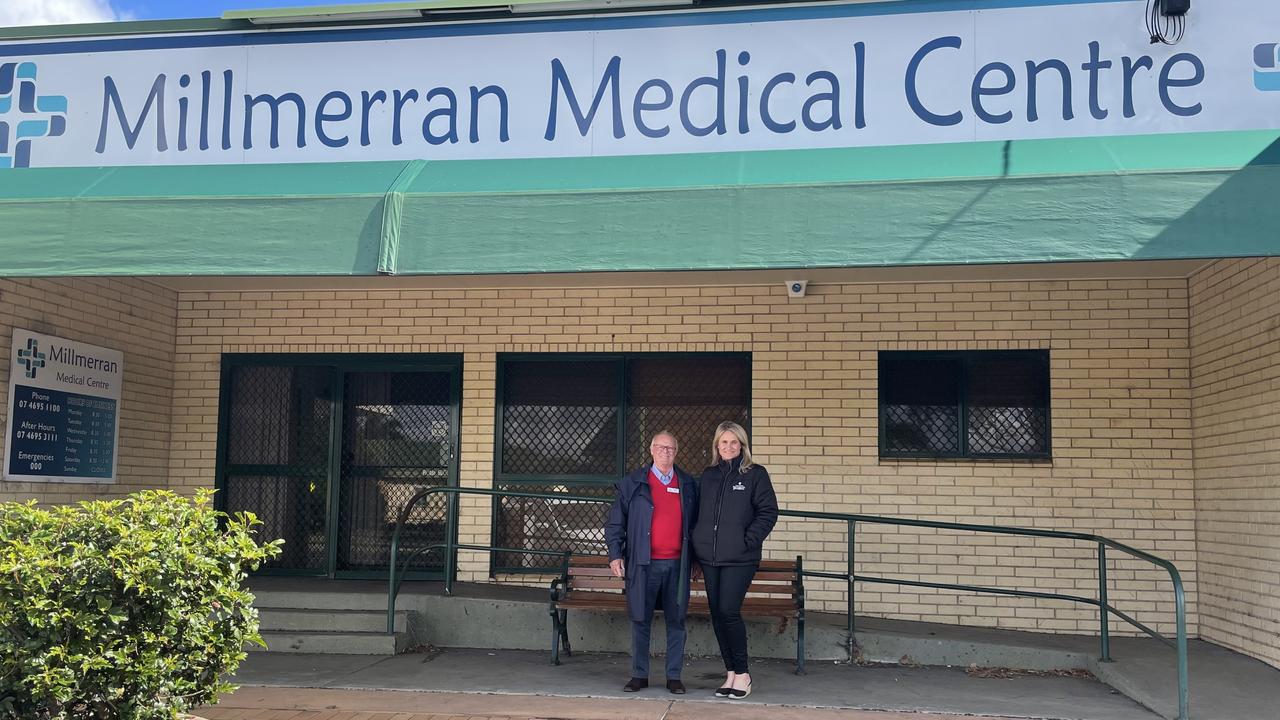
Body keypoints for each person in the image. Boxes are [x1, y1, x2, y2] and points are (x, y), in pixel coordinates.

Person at [604, 430, 699, 694]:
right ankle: (639, 675)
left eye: (670, 448)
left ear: (676, 452)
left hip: (678, 565)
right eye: (660, 447)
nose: (665, 452)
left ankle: (674, 677)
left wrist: (697, 561)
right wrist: (615, 554)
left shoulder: (688, 484)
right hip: (643, 564)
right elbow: (615, 523)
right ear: (651, 450)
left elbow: (697, 526)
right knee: (640, 619)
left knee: (677, 621)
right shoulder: (633, 483)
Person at [691, 421, 779, 699]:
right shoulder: (708, 476)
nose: (728, 447)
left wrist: (746, 540)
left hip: (740, 559)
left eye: (734, 442)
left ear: (742, 445)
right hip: (710, 558)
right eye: (723, 442)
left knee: (729, 611)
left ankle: (743, 673)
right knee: (717, 614)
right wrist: (696, 550)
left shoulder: (755, 474)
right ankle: (730, 673)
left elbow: (768, 512)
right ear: (716, 445)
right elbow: (698, 515)